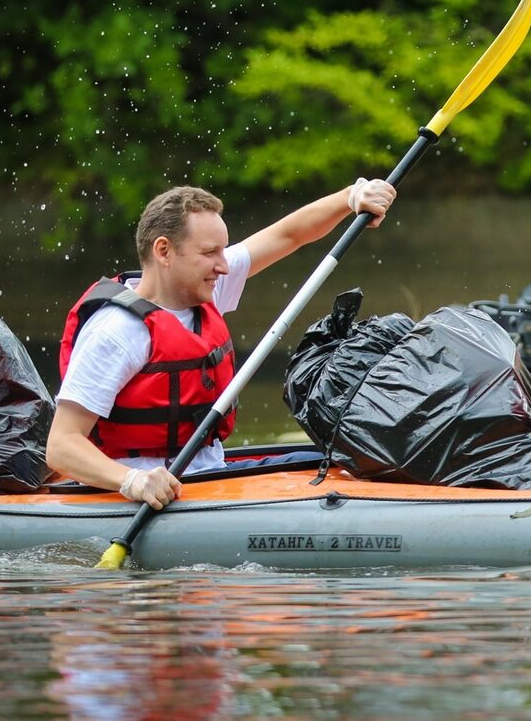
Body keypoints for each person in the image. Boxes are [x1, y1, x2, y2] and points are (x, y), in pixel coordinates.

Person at [48, 180, 397, 508]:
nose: (224, 266)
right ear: (164, 251)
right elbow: (62, 446)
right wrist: (133, 481)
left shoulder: (205, 288)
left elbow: (289, 235)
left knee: (337, 462)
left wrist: (350, 197)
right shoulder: (115, 331)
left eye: (223, 251)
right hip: (143, 493)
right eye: (210, 252)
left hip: (210, 476)